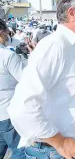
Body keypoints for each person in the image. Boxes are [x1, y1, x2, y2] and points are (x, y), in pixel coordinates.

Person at [8, 0, 75, 159]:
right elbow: (22, 106)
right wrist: (59, 142)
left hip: (71, 145)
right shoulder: (54, 46)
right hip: (52, 151)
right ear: (72, 13)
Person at [0, 19, 26, 159]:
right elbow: (25, 80)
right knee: (20, 152)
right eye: (6, 32)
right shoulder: (7, 55)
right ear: (1, 32)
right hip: (8, 114)